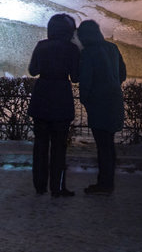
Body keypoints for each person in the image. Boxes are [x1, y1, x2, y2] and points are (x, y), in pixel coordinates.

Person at [27, 13, 80, 197]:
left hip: (42, 97)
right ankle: (57, 187)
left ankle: (39, 185)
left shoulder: (42, 46)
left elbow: (33, 70)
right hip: (61, 98)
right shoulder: (71, 49)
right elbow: (75, 77)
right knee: (59, 146)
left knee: (40, 145)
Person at [76, 20, 127, 194]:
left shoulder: (89, 52)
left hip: (99, 103)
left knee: (103, 147)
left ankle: (104, 184)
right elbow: (122, 73)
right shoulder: (112, 48)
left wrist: (86, 100)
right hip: (114, 100)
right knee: (109, 145)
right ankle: (107, 182)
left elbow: (85, 79)